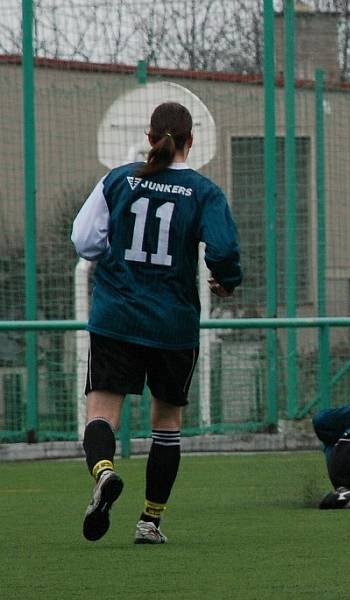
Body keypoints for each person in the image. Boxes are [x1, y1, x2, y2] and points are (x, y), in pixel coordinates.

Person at [71, 102, 242, 542]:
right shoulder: (204, 192)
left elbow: (84, 241)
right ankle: (150, 521)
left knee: (102, 413)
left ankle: (105, 472)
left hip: (117, 317)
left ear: (149, 139)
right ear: (191, 140)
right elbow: (223, 251)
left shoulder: (117, 180)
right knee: (166, 423)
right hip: (173, 323)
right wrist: (226, 279)